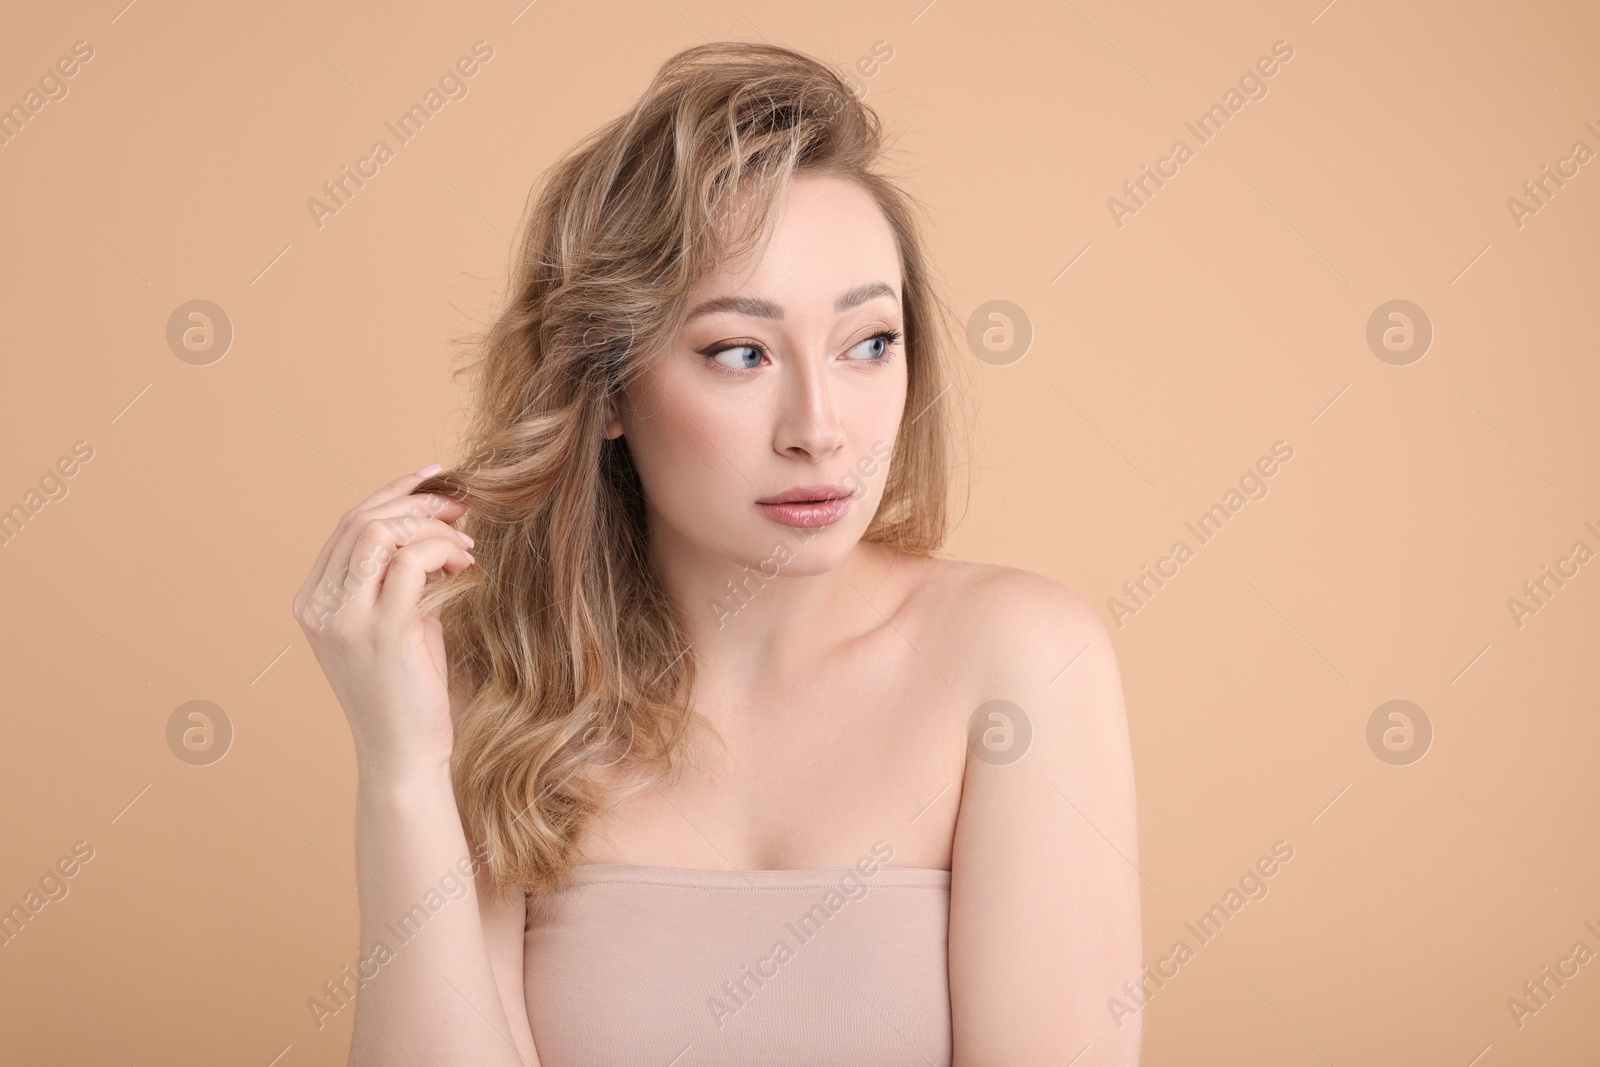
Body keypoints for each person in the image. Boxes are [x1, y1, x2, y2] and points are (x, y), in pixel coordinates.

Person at [292, 39, 1140, 1067]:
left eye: (868, 341)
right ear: (605, 388)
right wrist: (403, 769)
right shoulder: (495, 690)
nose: (820, 427)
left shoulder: (1017, 661)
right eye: (739, 351)